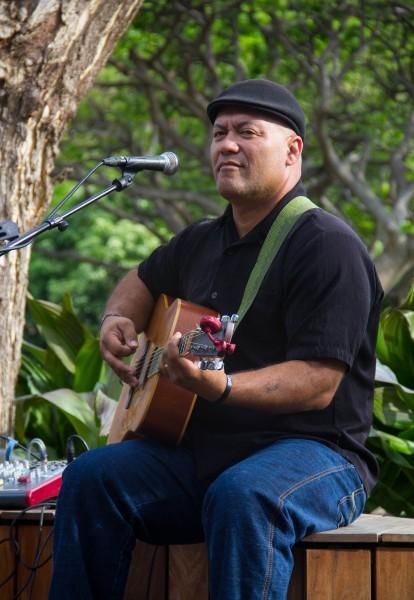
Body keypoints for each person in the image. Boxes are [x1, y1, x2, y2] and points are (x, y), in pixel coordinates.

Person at [49, 79, 383, 599]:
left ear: (292, 150)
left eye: (247, 132)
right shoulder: (202, 240)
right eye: (219, 133)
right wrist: (118, 318)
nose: (227, 144)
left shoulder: (327, 247)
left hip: (316, 455)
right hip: (203, 453)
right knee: (93, 477)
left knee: (244, 494)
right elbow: (141, 280)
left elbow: (317, 382)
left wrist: (220, 388)